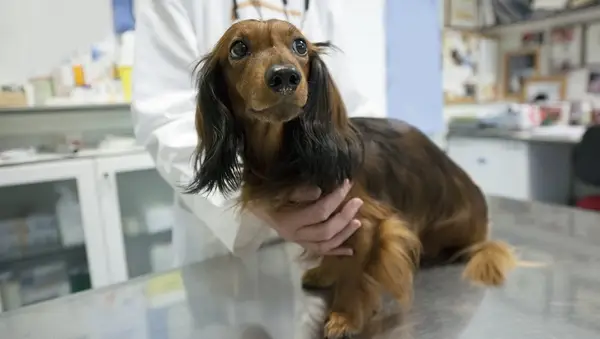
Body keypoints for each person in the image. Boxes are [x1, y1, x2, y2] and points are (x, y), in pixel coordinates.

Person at [132, 0, 381, 266]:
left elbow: (349, 108)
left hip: (327, 242)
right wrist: (253, 202)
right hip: (225, 245)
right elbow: (165, 115)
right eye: (240, 50)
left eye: (298, 47)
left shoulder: (324, 5)